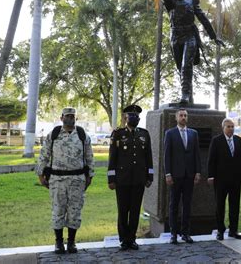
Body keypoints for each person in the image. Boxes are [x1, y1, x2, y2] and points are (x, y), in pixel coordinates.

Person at [158, 0, 225, 104]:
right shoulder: (171, 3)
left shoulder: (192, 2)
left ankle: (185, 95)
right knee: (180, 68)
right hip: (176, 38)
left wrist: (213, 36)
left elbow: (203, 19)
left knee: (186, 66)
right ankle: (189, 95)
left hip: (190, 36)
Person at [36, 107, 94, 254]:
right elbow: (44, 155)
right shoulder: (54, 134)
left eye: (72, 116)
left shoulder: (82, 135)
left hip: (77, 180)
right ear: (61, 118)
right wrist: (40, 174)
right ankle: (58, 242)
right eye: (67, 116)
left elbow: (89, 157)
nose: (70, 118)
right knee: (58, 210)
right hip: (57, 180)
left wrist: (90, 176)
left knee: (75, 211)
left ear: (76, 118)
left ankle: (72, 242)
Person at [107, 105, 154, 251]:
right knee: (123, 210)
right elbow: (112, 158)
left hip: (139, 179)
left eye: (136, 116)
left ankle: (132, 238)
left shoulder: (144, 134)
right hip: (122, 179)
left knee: (135, 210)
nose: (134, 118)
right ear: (126, 118)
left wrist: (150, 176)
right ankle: (123, 239)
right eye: (131, 116)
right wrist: (111, 179)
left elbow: (149, 157)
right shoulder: (118, 134)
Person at [164, 108, 201, 244]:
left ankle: (185, 233)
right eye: (181, 115)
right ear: (176, 118)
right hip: (175, 175)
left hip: (189, 175)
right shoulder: (170, 133)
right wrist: (168, 173)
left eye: (185, 115)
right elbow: (167, 155)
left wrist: (197, 172)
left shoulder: (193, 134)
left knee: (187, 204)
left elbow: (197, 154)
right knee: (174, 204)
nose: (183, 117)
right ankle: (173, 234)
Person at [207, 118, 241, 241]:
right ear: (223, 128)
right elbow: (211, 159)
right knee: (220, 205)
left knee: (234, 205)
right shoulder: (216, 141)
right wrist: (211, 176)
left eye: (232, 126)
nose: (231, 129)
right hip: (220, 179)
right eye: (228, 126)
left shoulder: (238, 140)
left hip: (235, 179)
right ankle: (220, 230)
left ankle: (233, 230)